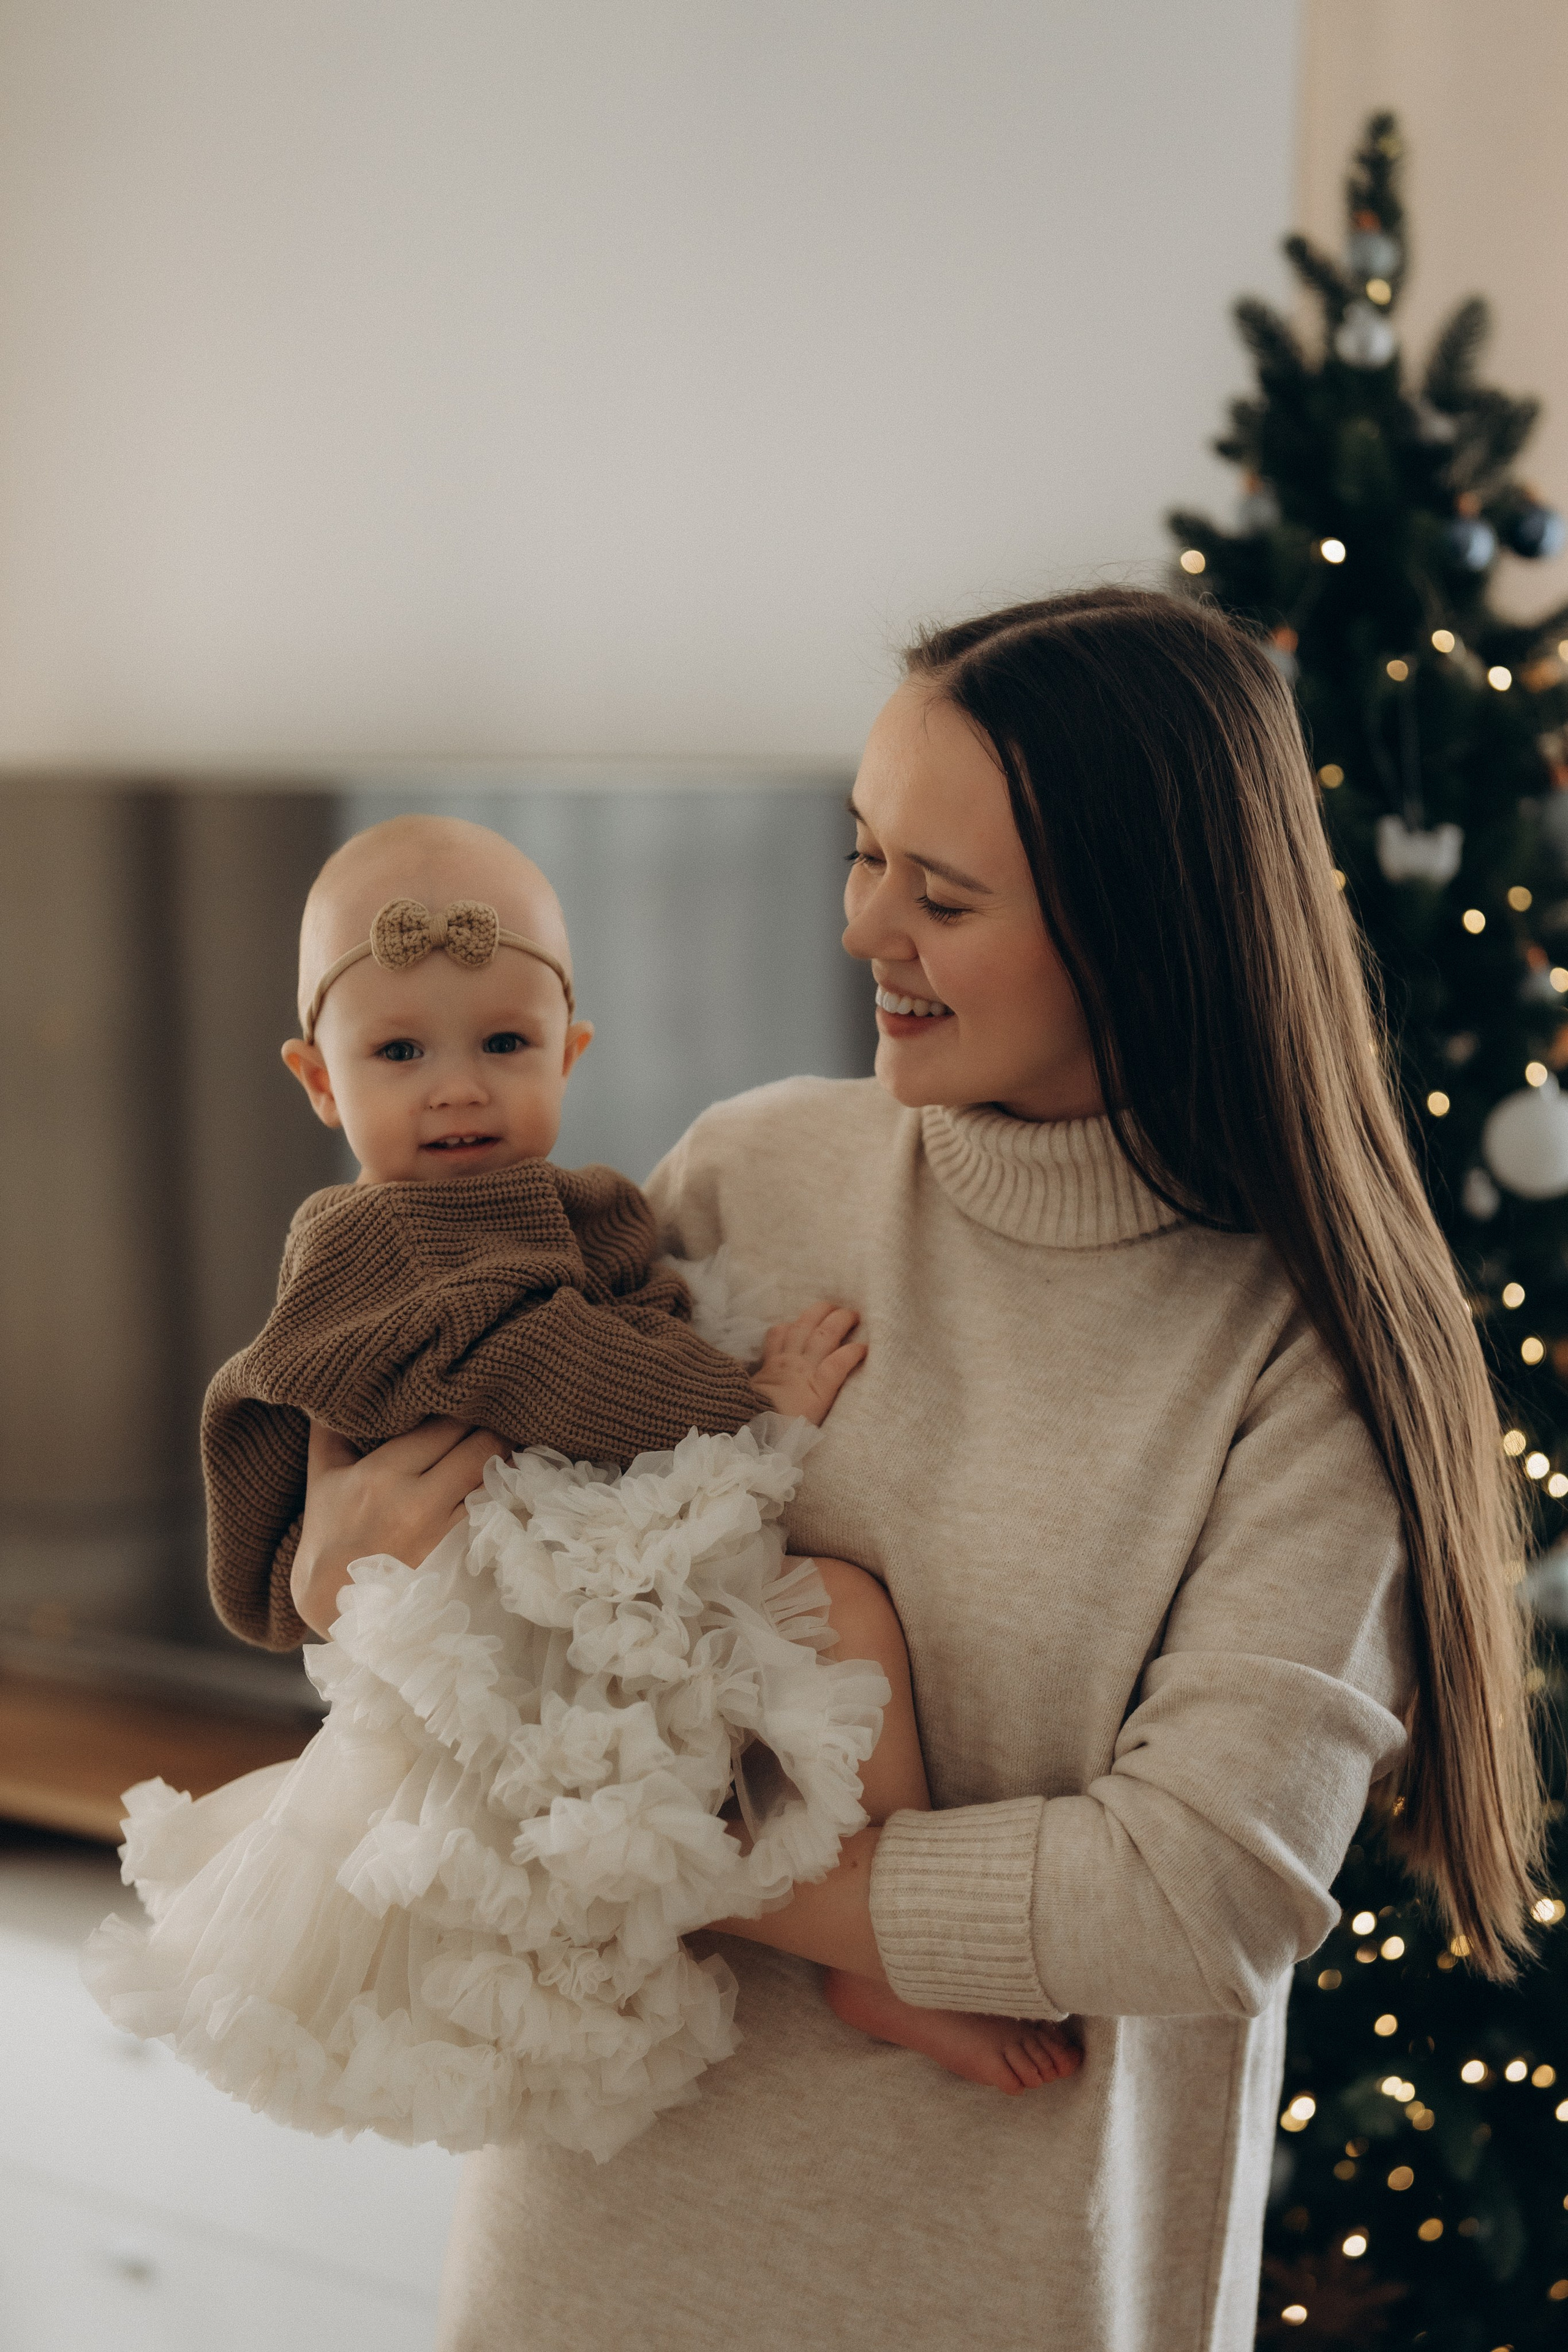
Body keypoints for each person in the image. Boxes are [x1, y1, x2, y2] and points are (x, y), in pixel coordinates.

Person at [298, 594, 1540, 2350]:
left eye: (939, 894)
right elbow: (468, 1624)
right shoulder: (748, 1175)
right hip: (588, 2276)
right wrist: (334, 1570)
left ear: (1136, 928)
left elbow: (1197, 1897)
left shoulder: (1300, 1356)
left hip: (994, 2298)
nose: (864, 921)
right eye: (867, 853)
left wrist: (720, 1870)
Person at [83, 814, 1071, 2163]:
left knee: (837, 1628)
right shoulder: (366, 1242)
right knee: (830, 1621)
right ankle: (868, 1947)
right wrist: (750, 1405)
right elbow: (551, 1372)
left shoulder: (589, 1209)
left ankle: (857, 1931)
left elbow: (630, 1318)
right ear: (319, 1080)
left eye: (501, 1044)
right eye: (397, 1053)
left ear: (571, 1052)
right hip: (509, 1631)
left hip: (599, 1583)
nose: (455, 1091)